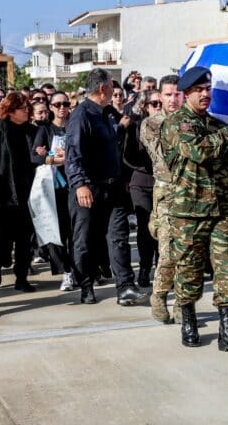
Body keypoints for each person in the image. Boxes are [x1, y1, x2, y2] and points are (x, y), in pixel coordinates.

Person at [160, 66, 228, 355]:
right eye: (199, 90)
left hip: (221, 210)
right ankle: (188, 321)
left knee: (227, 270)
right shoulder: (177, 123)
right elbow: (198, 151)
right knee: (188, 269)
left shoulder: (215, 124)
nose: (205, 94)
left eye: (208, 89)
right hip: (189, 211)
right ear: (186, 93)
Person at [66, 69, 147, 305]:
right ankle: (86, 285)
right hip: (88, 189)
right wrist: (80, 184)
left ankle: (125, 287)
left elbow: (114, 147)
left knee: (118, 236)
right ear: (103, 88)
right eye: (112, 85)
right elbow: (73, 154)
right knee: (85, 241)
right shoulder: (81, 115)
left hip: (113, 187)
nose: (114, 90)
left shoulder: (107, 113)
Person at [0, 92, 38, 292]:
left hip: (28, 191)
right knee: (2, 235)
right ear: (10, 111)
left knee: (24, 238)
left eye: (28, 108)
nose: (27, 111)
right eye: (23, 108)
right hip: (2, 191)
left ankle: (21, 278)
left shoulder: (33, 131)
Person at [140, 75, 183, 323]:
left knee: (188, 256)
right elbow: (165, 155)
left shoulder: (193, 121)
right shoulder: (152, 124)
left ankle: (183, 304)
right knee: (167, 253)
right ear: (160, 96)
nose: (173, 99)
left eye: (177, 94)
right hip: (167, 196)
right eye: (168, 95)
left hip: (192, 196)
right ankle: (159, 295)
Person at [31, 91, 76, 291]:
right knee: (55, 232)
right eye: (57, 104)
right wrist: (53, 159)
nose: (62, 108)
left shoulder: (75, 126)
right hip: (53, 186)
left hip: (75, 184)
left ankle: (79, 270)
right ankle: (66, 270)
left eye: (65, 103)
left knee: (75, 231)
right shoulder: (45, 129)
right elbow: (34, 156)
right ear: (51, 107)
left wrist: (68, 156)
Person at [122, 90, 158, 289]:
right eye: (154, 104)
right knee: (145, 227)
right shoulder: (136, 126)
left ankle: (162, 268)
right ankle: (144, 268)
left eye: (160, 103)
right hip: (141, 181)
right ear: (145, 106)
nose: (158, 107)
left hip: (164, 182)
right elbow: (128, 156)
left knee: (163, 228)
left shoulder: (171, 125)